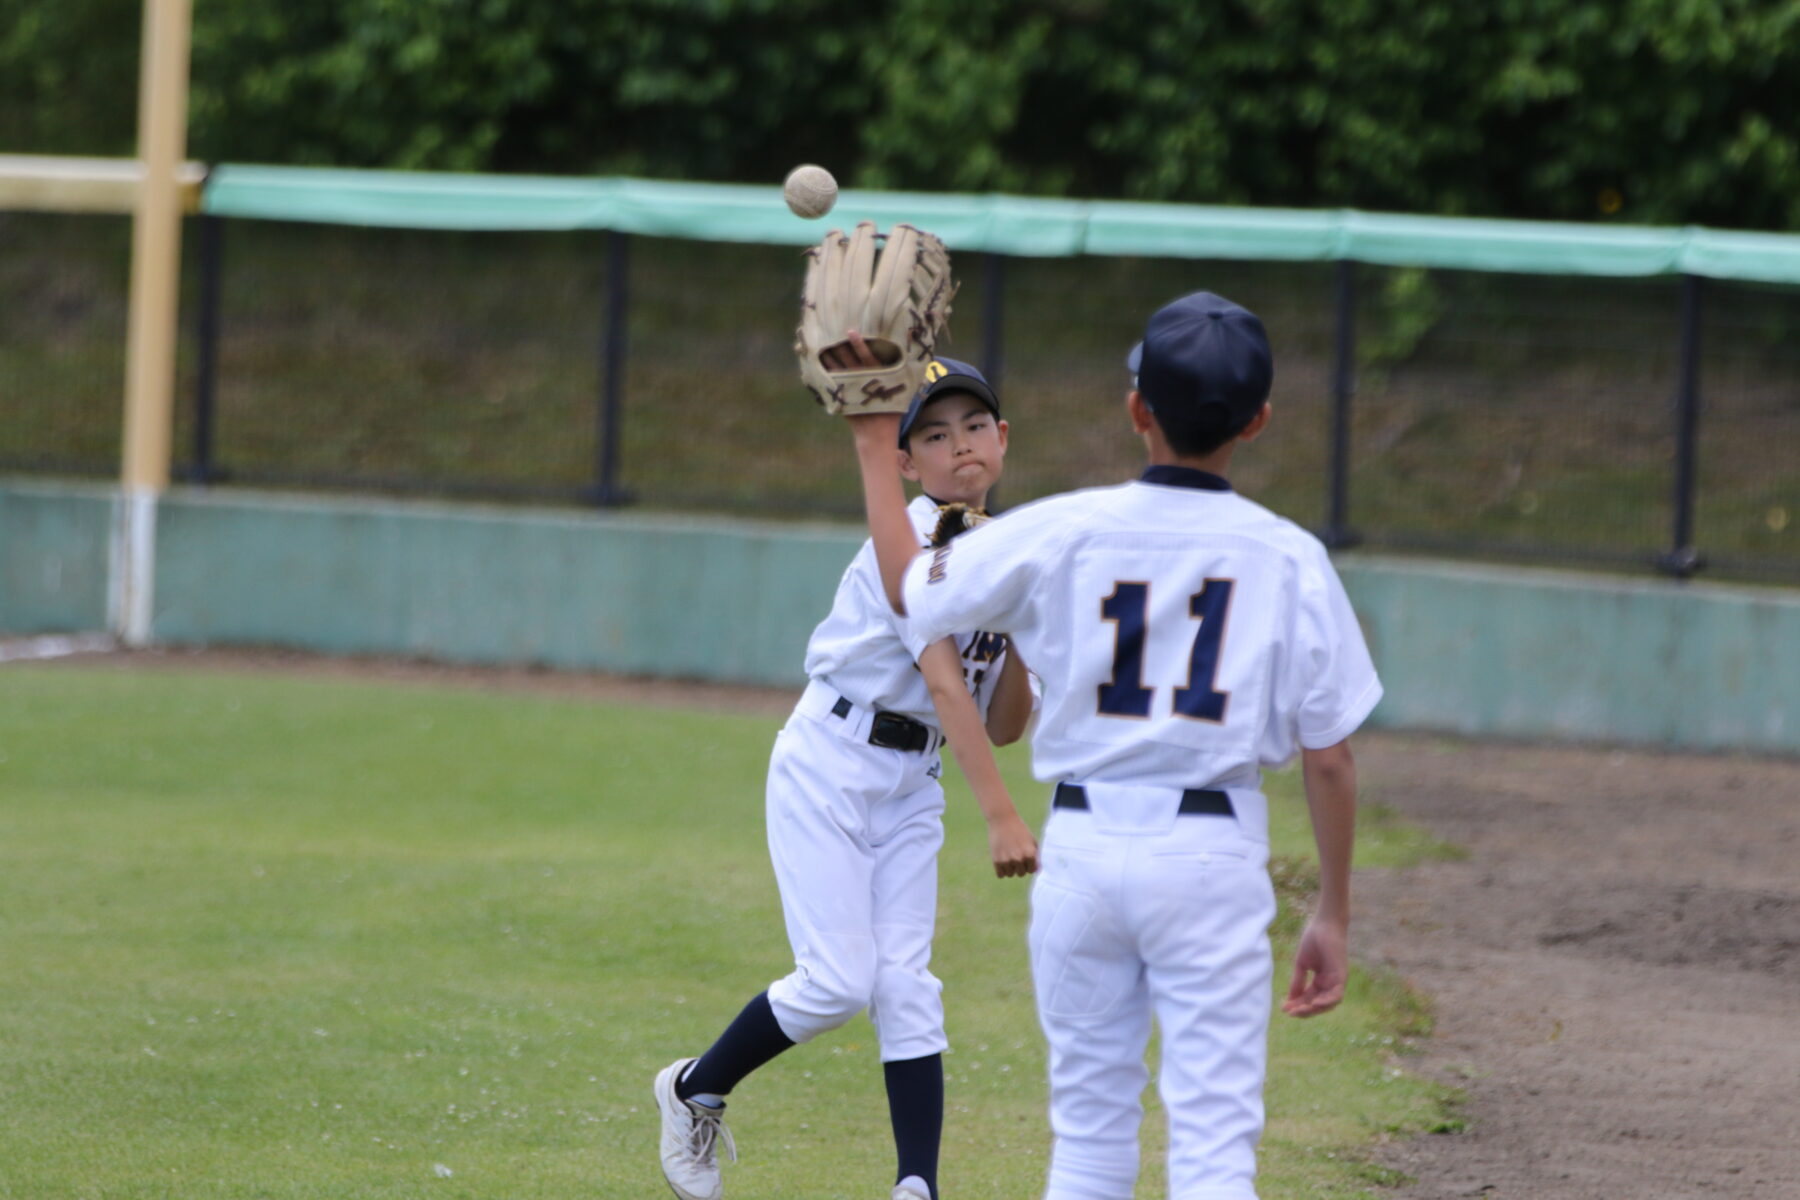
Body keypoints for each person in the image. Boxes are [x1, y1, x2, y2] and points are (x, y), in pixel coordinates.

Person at [837, 292, 1381, 1200]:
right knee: (1211, 1147)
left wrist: (869, 444)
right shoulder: (1288, 556)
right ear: (1257, 421)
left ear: (1138, 411)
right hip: (1212, 853)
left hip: (1082, 848)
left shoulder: (1060, 528)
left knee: (1089, 1144)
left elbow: (912, 593)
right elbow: (1328, 756)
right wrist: (1332, 910)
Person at [654, 358, 1041, 1200]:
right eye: (933, 435)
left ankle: (916, 1187)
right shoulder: (905, 547)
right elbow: (942, 680)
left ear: (1002, 440)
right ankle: (692, 1089)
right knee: (835, 981)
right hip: (831, 762)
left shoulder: (1006, 555)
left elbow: (1007, 722)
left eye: (974, 426)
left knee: (907, 983)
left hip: (914, 779)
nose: (959, 446)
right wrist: (1002, 816)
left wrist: (1014, 629)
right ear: (905, 463)